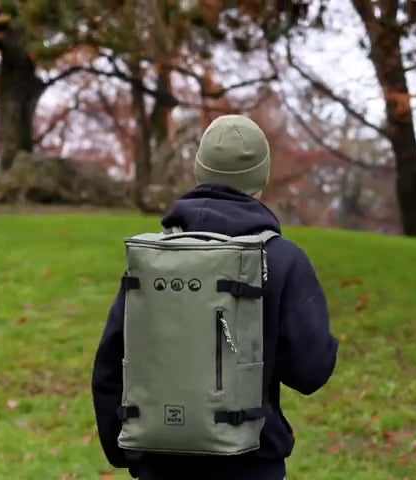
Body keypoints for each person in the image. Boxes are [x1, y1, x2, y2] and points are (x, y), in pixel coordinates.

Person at [91, 114, 339, 480]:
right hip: (251, 466)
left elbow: (111, 363)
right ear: (262, 176)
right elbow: (310, 372)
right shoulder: (283, 260)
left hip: (158, 465)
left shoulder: (152, 259)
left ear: (199, 170)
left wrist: (125, 450)